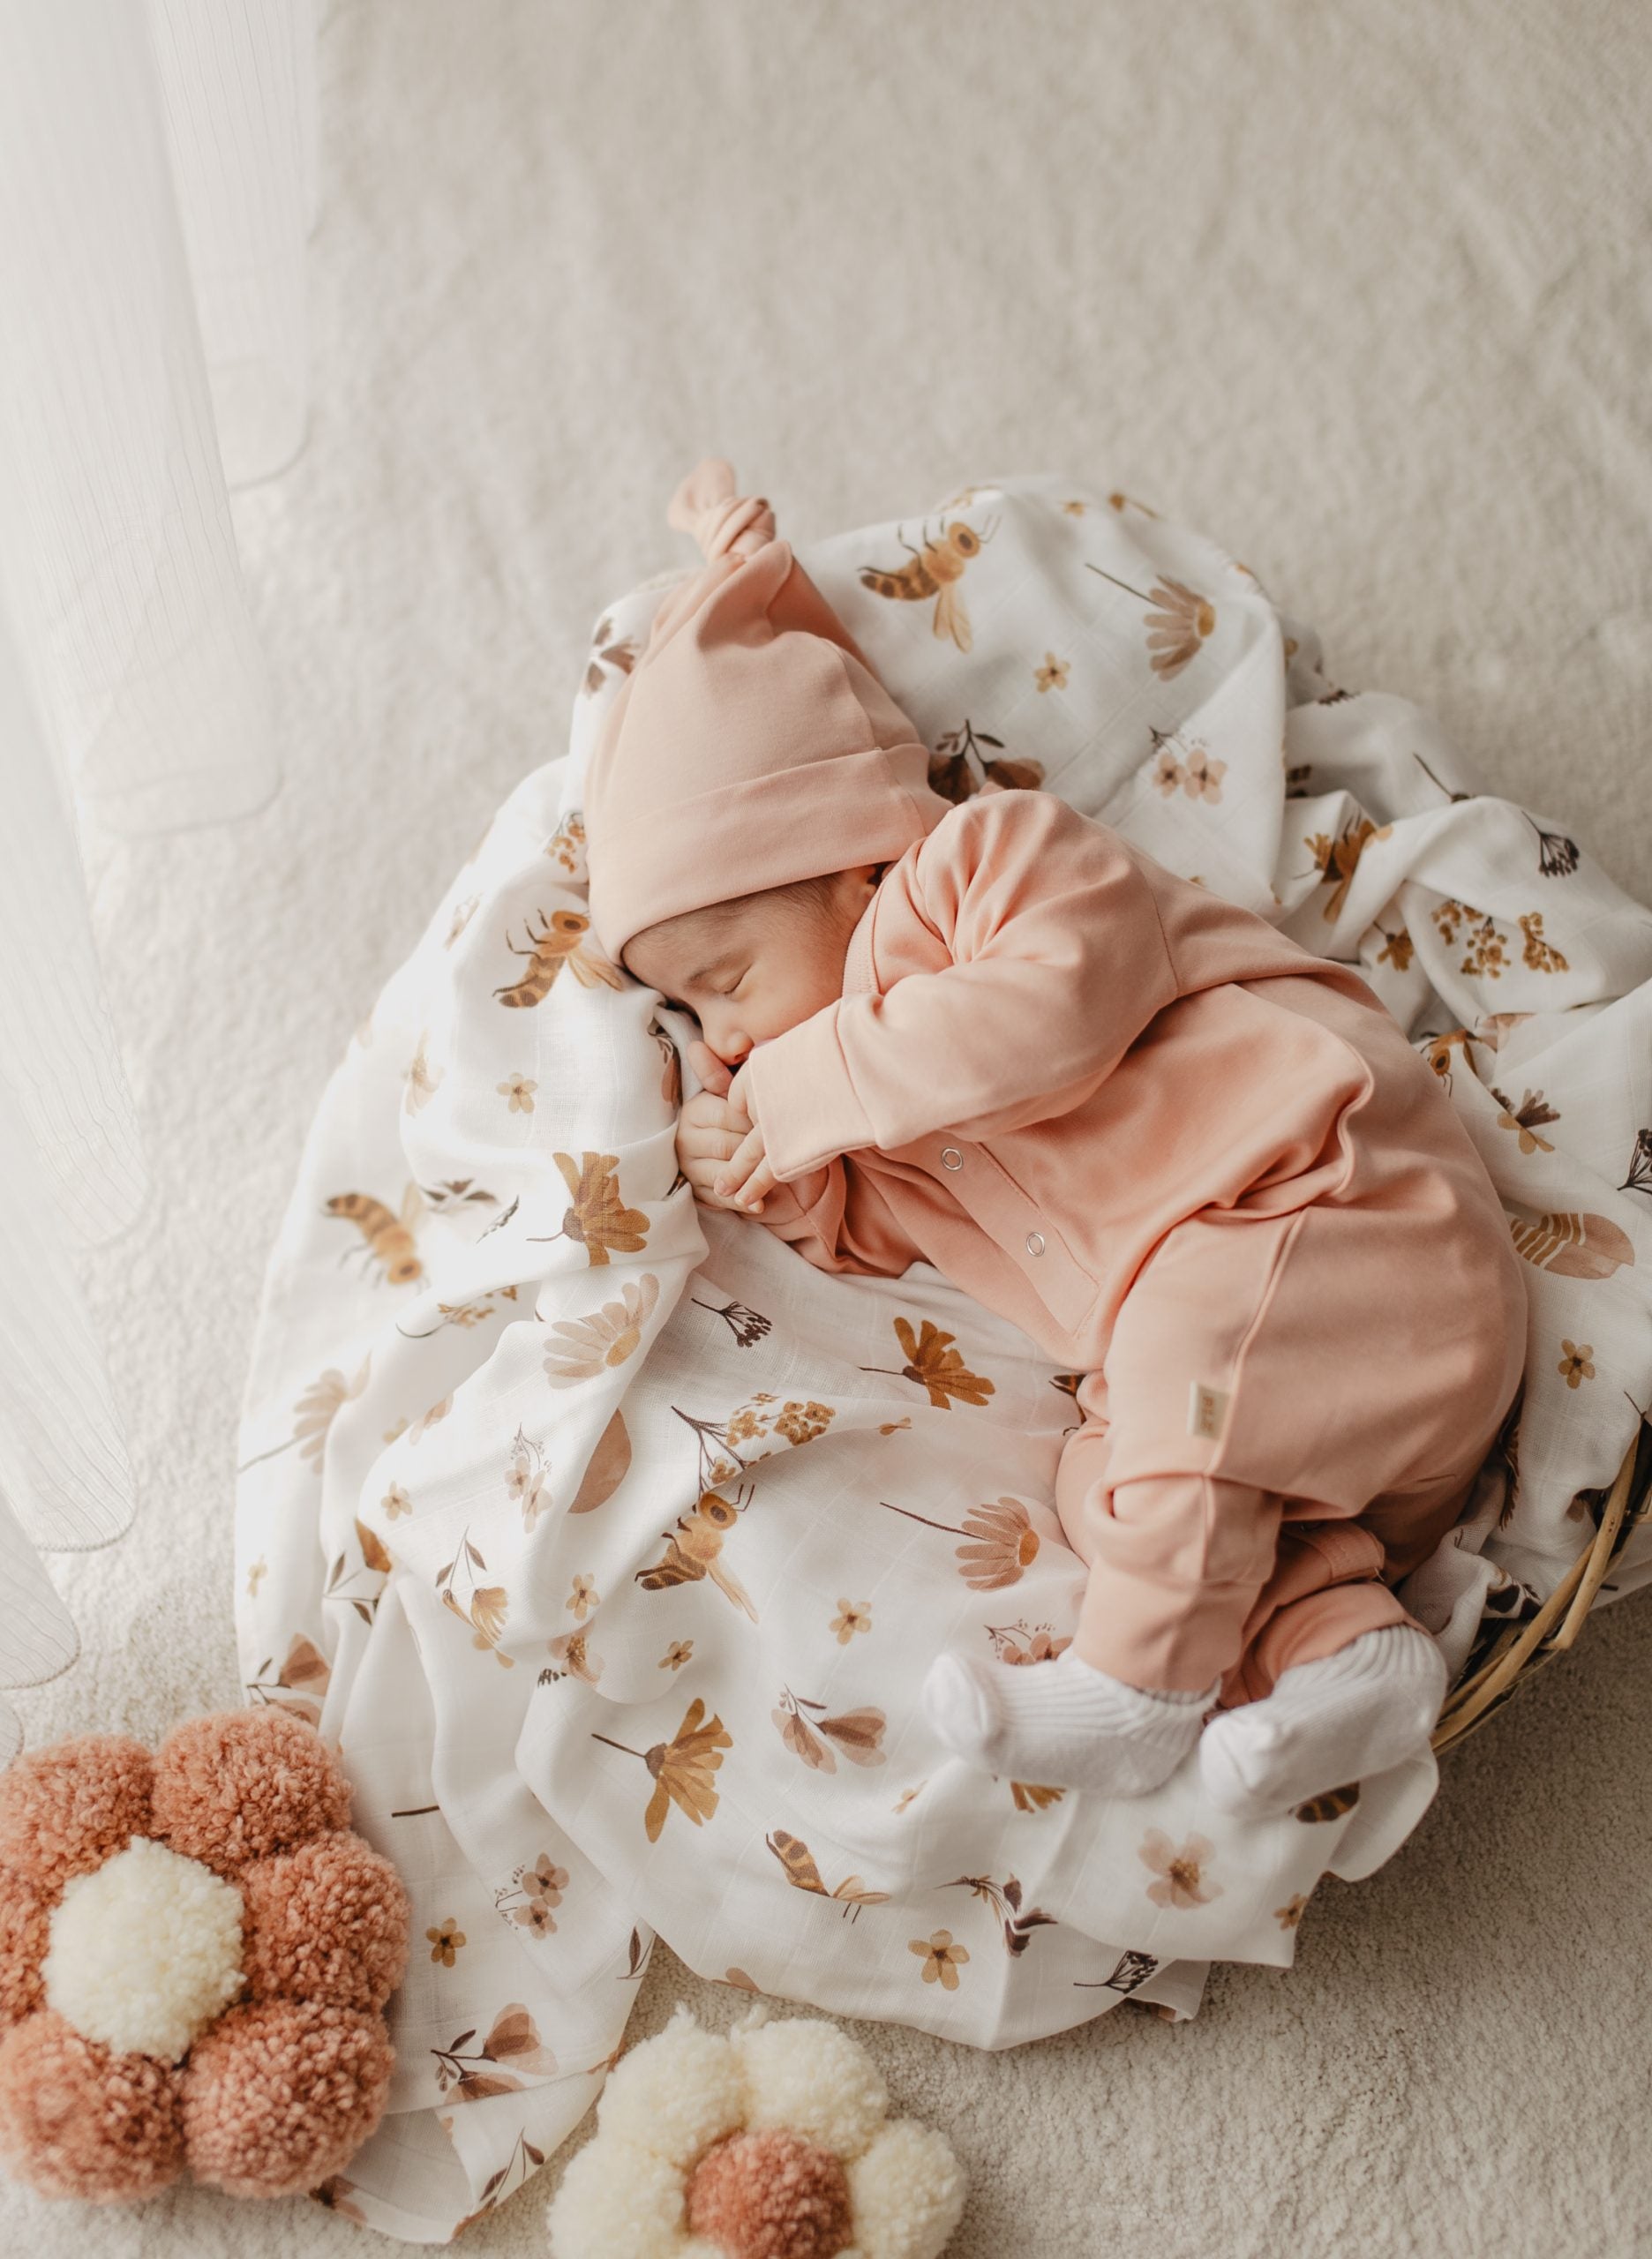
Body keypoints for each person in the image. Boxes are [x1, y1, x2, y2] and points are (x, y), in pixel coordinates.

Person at [580, 459, 1527, 1817]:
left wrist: (802, 1097)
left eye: (724, 981)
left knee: (1187, 1345)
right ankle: (1346, 1651)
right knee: (1110, 1468)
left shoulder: (986, 870)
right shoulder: (867, 1114)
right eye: (688, 1011)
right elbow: (881, 1234)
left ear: (851, 858)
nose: (722, 1039)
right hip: (1320, 1446)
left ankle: (1138, 1690)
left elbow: (1048, 1019)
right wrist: (783, 1183)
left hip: (1348, 1221)